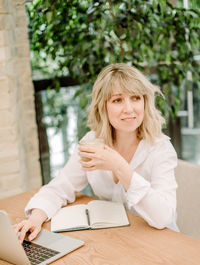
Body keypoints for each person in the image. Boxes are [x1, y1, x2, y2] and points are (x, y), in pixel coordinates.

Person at [15, 63, 179, 242]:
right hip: (116, 240)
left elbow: (163, 217)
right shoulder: (92, 141)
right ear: (104, 106)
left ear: (145, 102)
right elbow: (60, 187)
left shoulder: (160, 149)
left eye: (136, 98)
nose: (129, 109)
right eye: (117, 100)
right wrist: (35, 218)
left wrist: (119, 165)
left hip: (160, 242)